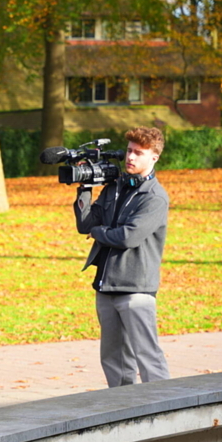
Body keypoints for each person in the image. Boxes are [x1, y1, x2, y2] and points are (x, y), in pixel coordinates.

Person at [74, 127, 170, 387]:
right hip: (106, 287)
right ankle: (121, 412)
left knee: (147, 357)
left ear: (154, 158)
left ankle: (166, 409)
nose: (131, 157)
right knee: (113, 360)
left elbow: (128, 237)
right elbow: (85, 224)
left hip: (135, 289)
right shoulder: (114, 188)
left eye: (139, 153)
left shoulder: (154, 197)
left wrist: (99, 232)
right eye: (129, 151)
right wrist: (85, 188)